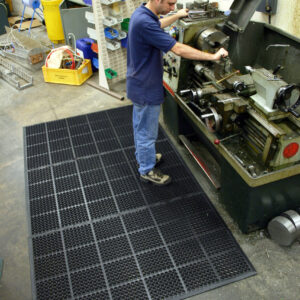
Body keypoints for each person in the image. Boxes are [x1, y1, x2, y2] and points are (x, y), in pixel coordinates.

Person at [126, 0, 228, 186]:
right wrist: (212, 56)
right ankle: (147, 169)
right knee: (146, 133)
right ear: (157, 0)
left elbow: (158, 24)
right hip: (145, 88)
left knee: (142, 127)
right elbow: (178, 49)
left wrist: (177, 16)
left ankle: (145, 156)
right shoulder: (145, 22)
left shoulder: (142, 14)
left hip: (141, 82)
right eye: (171, 4)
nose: (173, 7)